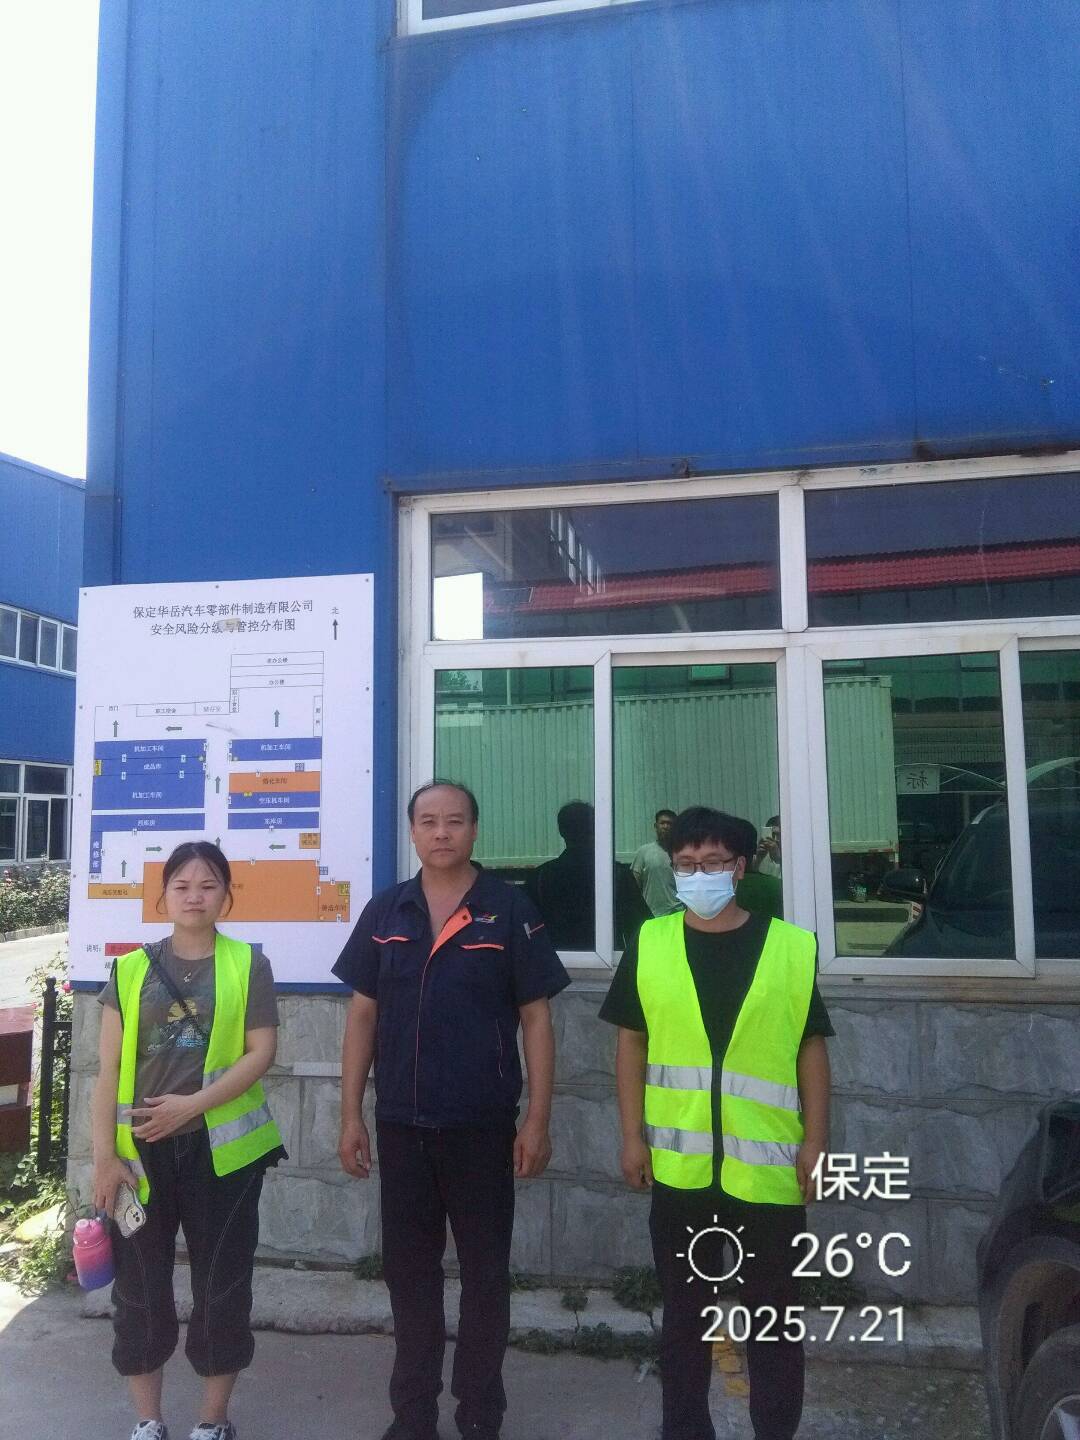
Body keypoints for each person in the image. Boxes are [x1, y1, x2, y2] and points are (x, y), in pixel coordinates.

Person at [333, 780, 570, 1440]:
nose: (442, 832)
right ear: (412, 831)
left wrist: (537, 1119)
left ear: (474, 830)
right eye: (429, 821)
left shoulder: (509, 909)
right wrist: (350, 1114)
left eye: (455, 821)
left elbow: (536, 1019)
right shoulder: (387, 911)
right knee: (410, 1279)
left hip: (481, 1128)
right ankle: (413, 1417)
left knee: (485, 1279)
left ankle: (480, 1415)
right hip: (402, 1126)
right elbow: (362, 1016)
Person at [600, 807, 833, 1440]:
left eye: (712, 863)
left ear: (740, 867)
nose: (698, 874)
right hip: (680, 1169)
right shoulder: (651, 943)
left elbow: (811, 1047)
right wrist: (630, 1137)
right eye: (685, 864)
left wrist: (816, 1142)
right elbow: (631, 1044)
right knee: (685, 1319)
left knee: (774, 1321)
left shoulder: (789, 947)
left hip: (769, 1171)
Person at [92, 841, 285, 1440]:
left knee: (222, 1286)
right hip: (140, 1155)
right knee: (138, 1290)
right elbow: (107, 1071)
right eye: (181, 885)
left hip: (221, 1152)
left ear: (227, 895)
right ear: (163, 896)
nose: (194, 896)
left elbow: (261, 1052)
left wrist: (192, 1106)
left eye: (208, 885)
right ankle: (148, 1420)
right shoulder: (129, 970)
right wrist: (104, 1158)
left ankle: (212, 1420)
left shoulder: (248, 964)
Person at [525, 799, 649, 950]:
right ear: (594, 829)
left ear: (561, 831)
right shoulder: (616, 875)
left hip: (556, 961)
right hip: (609, 961)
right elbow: (642, 930)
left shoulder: (540, 877)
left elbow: (528, 930)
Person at [631, 808, 679, 917]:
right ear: (656, 826)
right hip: (650, 913)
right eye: (662, 823)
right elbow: (634, 886)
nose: (666, 826)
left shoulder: (681, 854)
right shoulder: (643, 852)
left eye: (669, 824)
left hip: (677, 913)